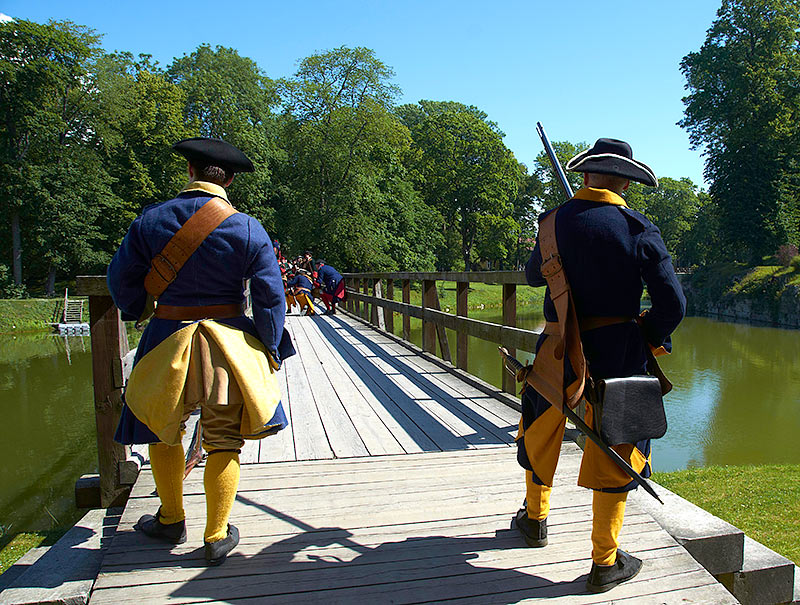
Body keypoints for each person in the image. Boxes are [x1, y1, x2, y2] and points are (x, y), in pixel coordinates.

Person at [107, 137, 295, 566]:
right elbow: (269, 299)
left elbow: (121, 284)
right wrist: (269, 345)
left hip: (164, 341)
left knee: (161, 429)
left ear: (190, 171)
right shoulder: (248, 227)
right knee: (224, 439)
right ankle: (216, 534)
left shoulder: (149, 222)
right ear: (228, 180)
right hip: (227, 345)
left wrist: (139, 308)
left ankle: (171, 518)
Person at [514, 138, 685, 593]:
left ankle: (534, 521)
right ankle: (604, 563)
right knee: (620, 449)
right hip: (621, 353)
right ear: (626, 181)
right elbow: (673, 303)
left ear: (586, 175)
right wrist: (647, 336)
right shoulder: (638, 226)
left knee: (540, 428)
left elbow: (534, 276)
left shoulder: (552, 223)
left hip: (556, 350)